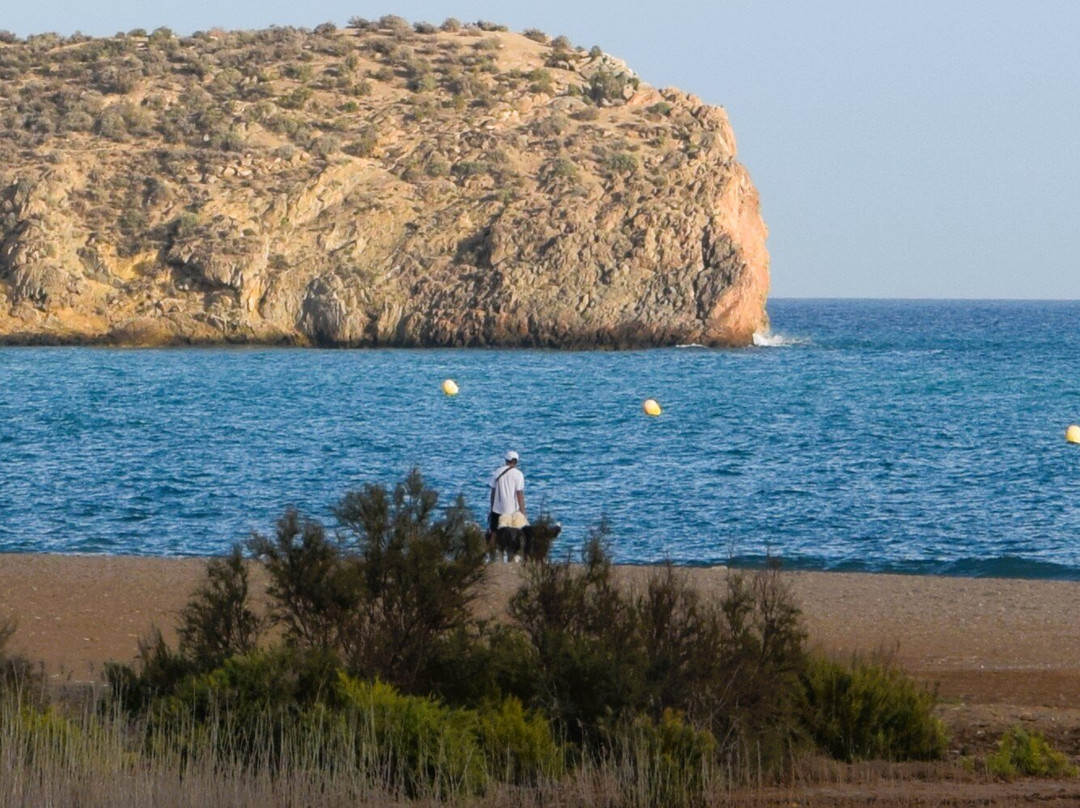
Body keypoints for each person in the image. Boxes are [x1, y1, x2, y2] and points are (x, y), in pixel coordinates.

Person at [488, 450, 525, 538]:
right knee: (513, 534)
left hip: (497, 509)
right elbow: (519, 494)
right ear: (516, 461)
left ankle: (491, 550)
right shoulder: (519, 474)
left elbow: (493, 492)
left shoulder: (497, 472)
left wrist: (492, 507)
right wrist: (522, 511)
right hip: (512, 510)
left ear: (506, 460)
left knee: (494, 531)